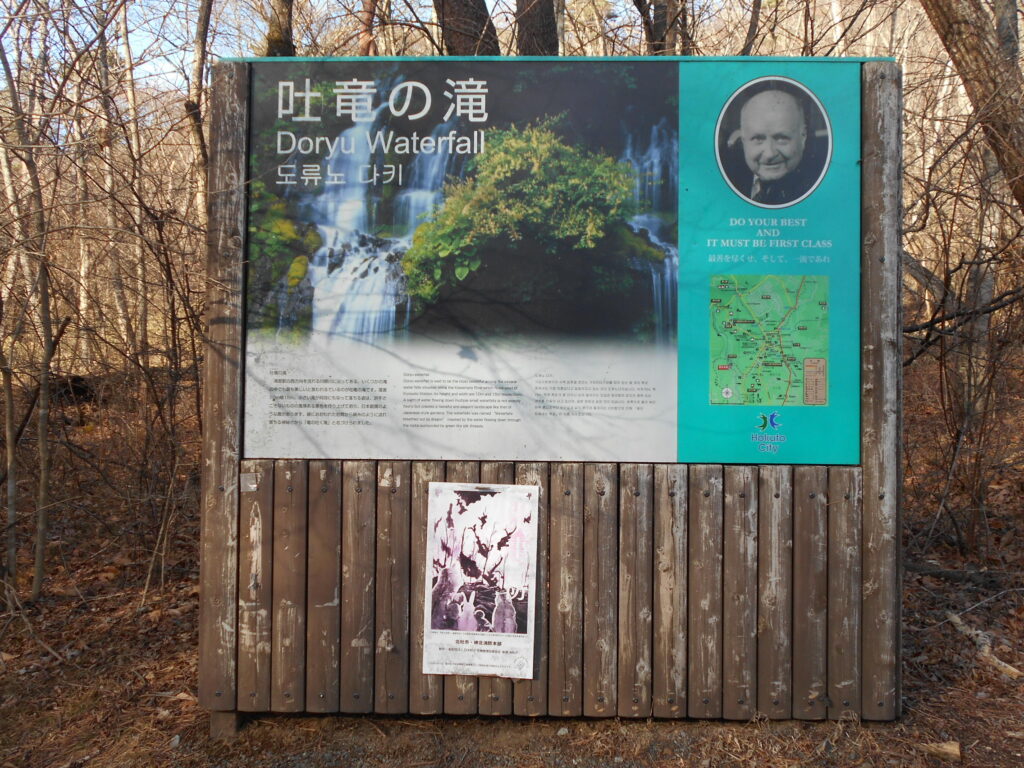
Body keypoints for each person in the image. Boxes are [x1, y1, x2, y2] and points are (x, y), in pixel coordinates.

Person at [719, 83, 829, 206]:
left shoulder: (822, 185)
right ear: (743, 139)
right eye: (758, 139)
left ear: (803, 137)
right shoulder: (724, 176)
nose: (770, 154)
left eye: (781, 138)